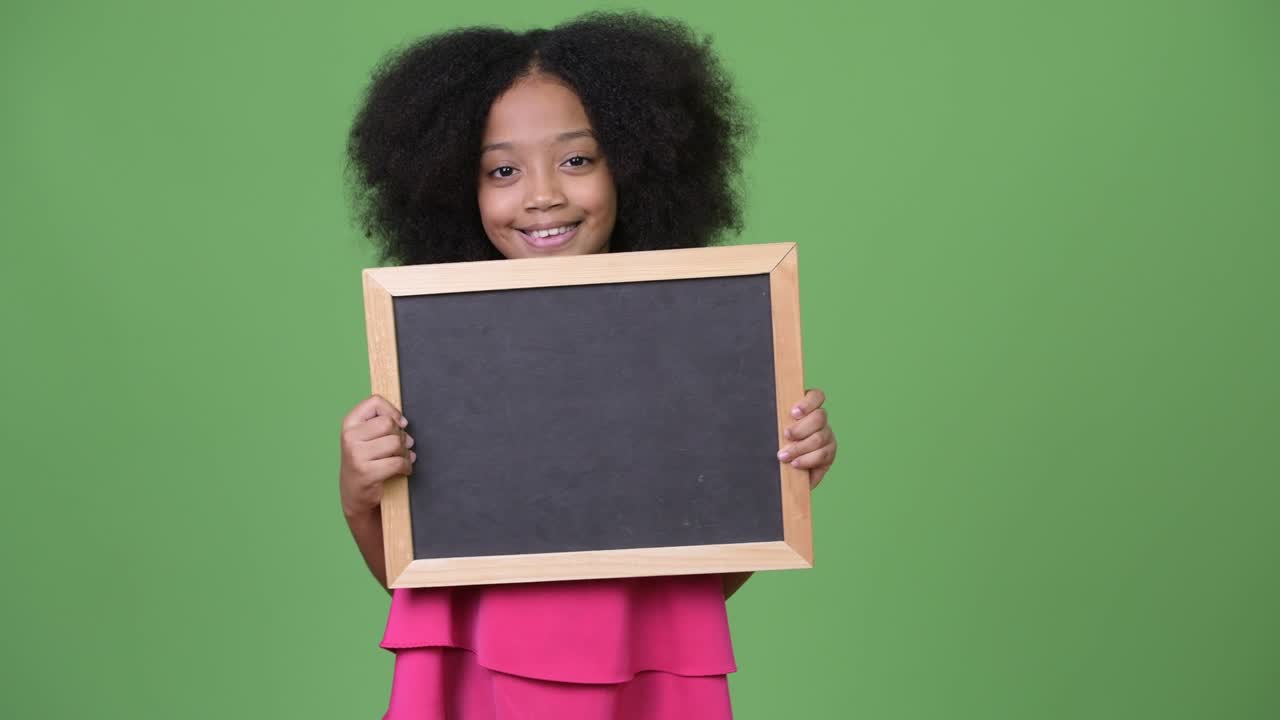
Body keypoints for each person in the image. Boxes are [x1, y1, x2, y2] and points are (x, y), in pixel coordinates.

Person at [340, 12, 838, 719]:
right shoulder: (439, 353)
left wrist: (780, 475)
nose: (542, 194)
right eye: (502, 170)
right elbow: (410, 576)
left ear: (634, 164)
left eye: (577, 159)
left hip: (653, 668)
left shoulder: (693, 348)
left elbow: (705, 572)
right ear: (455, 185)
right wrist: (360, 492)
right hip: (473, 673)